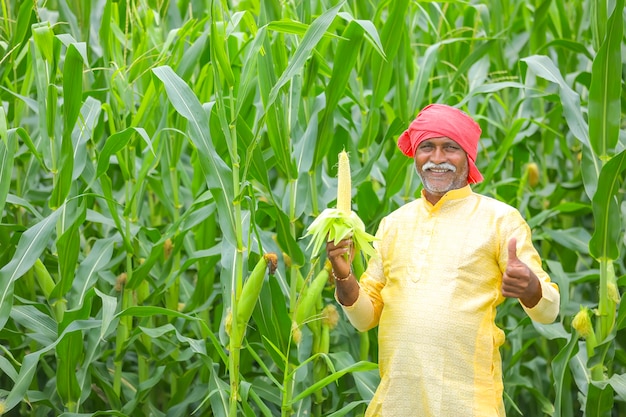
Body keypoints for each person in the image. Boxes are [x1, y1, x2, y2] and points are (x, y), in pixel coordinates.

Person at [326, 104, 560, 417]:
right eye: (427, 147)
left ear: (468, 156)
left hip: (468, 405)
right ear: (415, 155)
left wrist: (530, 287)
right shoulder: (393, 224)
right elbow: (364, 318)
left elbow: (550, 311)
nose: (437, 159)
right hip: (396, 404)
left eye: (450, 147)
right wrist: (344, 277)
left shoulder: (500, 220)